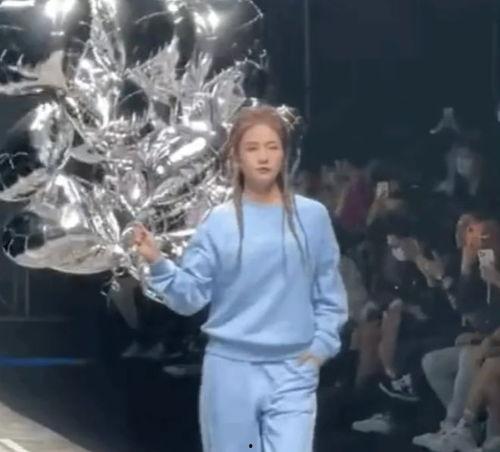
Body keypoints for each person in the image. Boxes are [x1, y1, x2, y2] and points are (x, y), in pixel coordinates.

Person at [132, 106, 348, 452]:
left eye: (272, 147)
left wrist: (320, 348)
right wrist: (158, 262)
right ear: (236, 156)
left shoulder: (313, 217)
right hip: (230, 369)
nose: (263, 157)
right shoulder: (218, 221)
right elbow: (190, 297)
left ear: (284, 154)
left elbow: (329, 294)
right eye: (253, 148)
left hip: (293, 369)